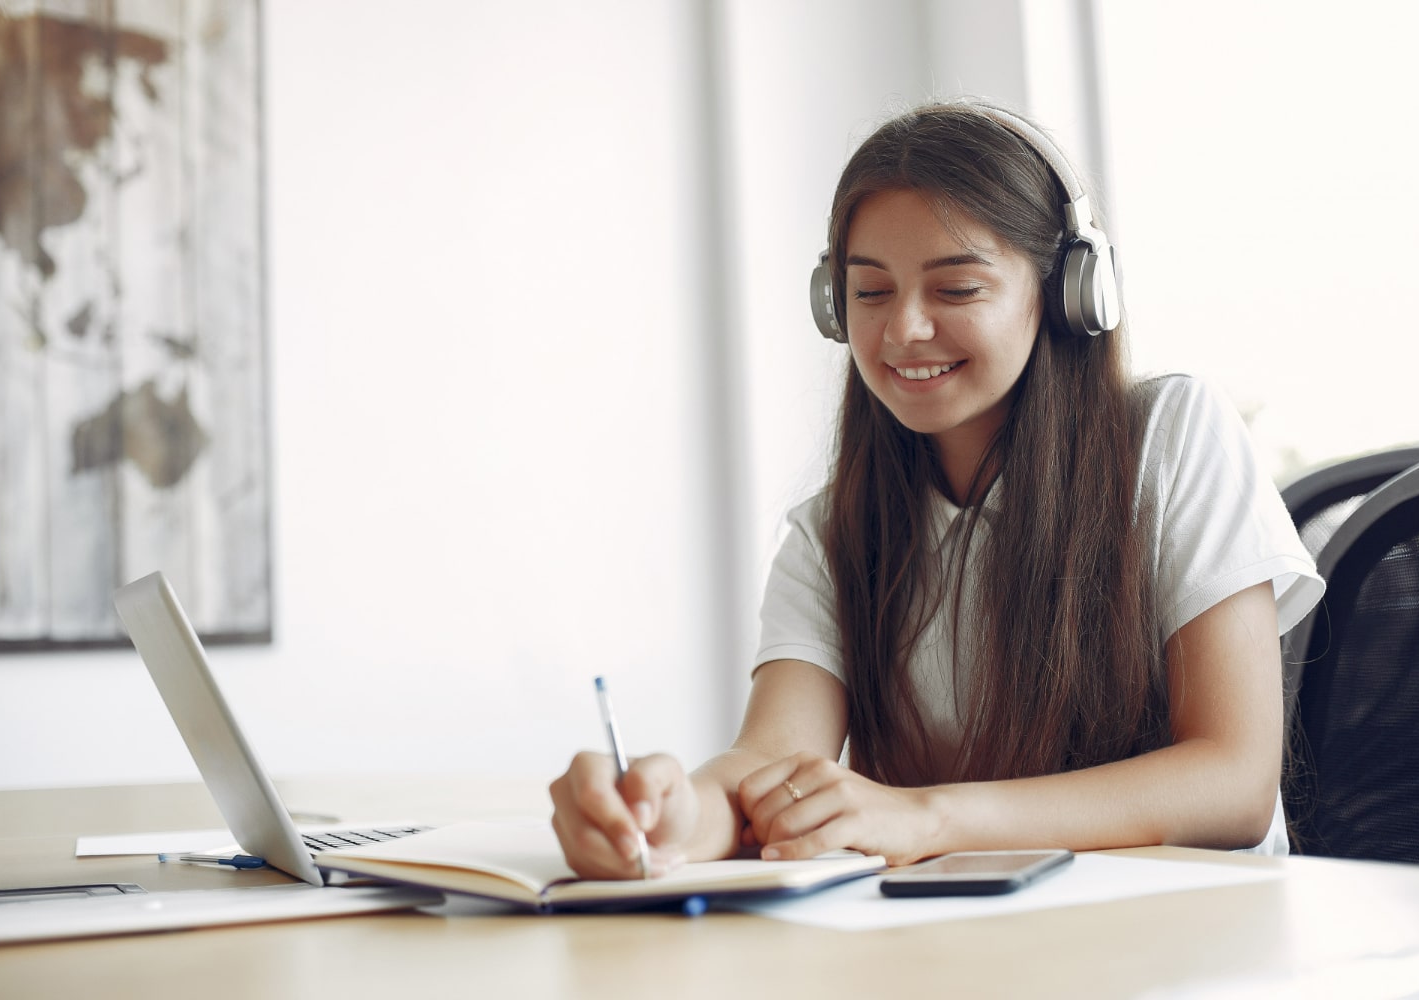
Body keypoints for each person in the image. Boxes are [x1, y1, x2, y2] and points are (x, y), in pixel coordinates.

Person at [549, 99, 1324, 878]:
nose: (902, 331)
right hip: (970, 948)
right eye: (871, 292)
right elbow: (769, 762)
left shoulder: (1172, 437)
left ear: (1066, 295)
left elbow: (1234, 782)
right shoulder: (835, 532)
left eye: (956, 290)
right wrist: (673, 817)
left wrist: (927, 817)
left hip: (1192, 943)